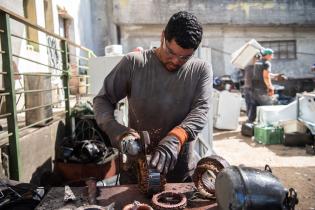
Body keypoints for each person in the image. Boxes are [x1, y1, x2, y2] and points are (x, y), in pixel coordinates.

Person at [93, 11, 213, 184]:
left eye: (185, 57)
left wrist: (176, 137)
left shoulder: (201, 70)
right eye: (170, 52)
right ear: (162, 36)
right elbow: (102, 100)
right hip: (137, 171)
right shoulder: (134, 64)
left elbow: (201, 110)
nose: (176, 61)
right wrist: (117, 132)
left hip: (180, 173)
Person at [250, 48, 286, 122]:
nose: (272, 56)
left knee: (254, 109)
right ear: (267, 55)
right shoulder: (267, 63)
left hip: (255, 89)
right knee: (268, 107)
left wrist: (276, 76)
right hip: (262, 89)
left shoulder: (257, 62)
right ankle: (268, 125)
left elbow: (263, 74)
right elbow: (265, 76)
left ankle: (250, 125)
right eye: (271, 54)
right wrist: (270, 88)